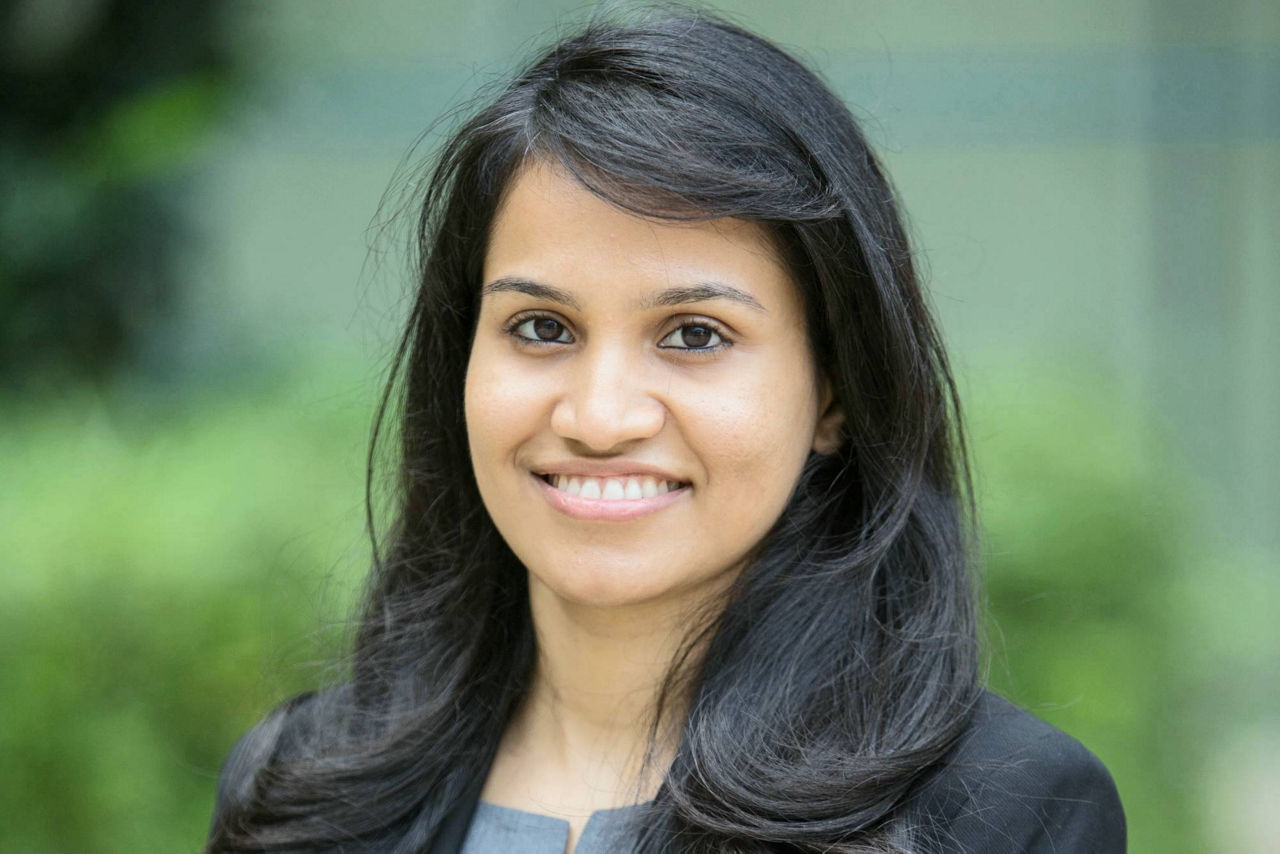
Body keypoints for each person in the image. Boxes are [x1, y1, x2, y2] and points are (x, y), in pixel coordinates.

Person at [206, 10, 1125, 854]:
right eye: (541, 328)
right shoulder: (298, 792)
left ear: (835, 396)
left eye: (695, 335)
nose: (600, 418)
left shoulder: (1000, 814)